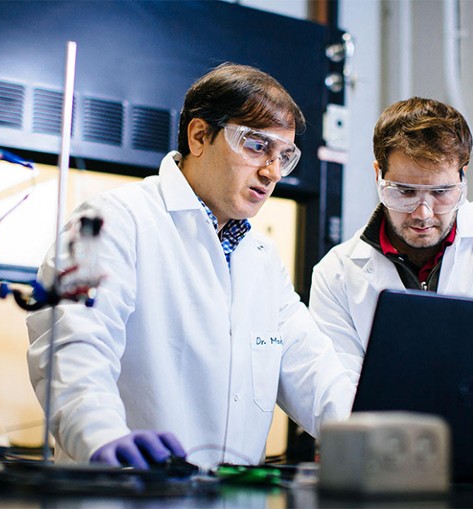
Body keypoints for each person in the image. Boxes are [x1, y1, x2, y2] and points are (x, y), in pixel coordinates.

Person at [26, 63, 354, 468]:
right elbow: (72, 347)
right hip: (126, 491)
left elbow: (314, 373)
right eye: (256, 146)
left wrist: (387, 440)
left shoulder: (262, 259)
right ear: (200, 136)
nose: (271, 172)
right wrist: (101, 437)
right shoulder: (114, 221)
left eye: (283, 156)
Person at [309, 97, 473, 386]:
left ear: (462, 177)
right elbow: (341, 397)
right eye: (405, 192)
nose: (423, 213)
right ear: (378, 175)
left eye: (442, 192)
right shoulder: (336, 276)